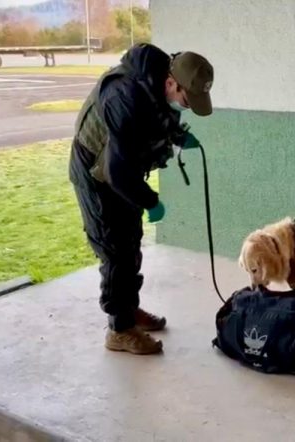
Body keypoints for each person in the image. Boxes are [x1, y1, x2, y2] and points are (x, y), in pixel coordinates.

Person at [69, 43, 214, 355]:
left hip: (120, 166)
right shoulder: (124, 96)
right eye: (187, 101)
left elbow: (159, 115)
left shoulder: (159, 83)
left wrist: (176, 136)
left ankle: (129, 310)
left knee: (131, 240)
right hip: (97, 170)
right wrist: (151, 201)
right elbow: (117, 171)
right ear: (172, 83)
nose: (187, 107)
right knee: (115, 247)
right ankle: (119, 329)